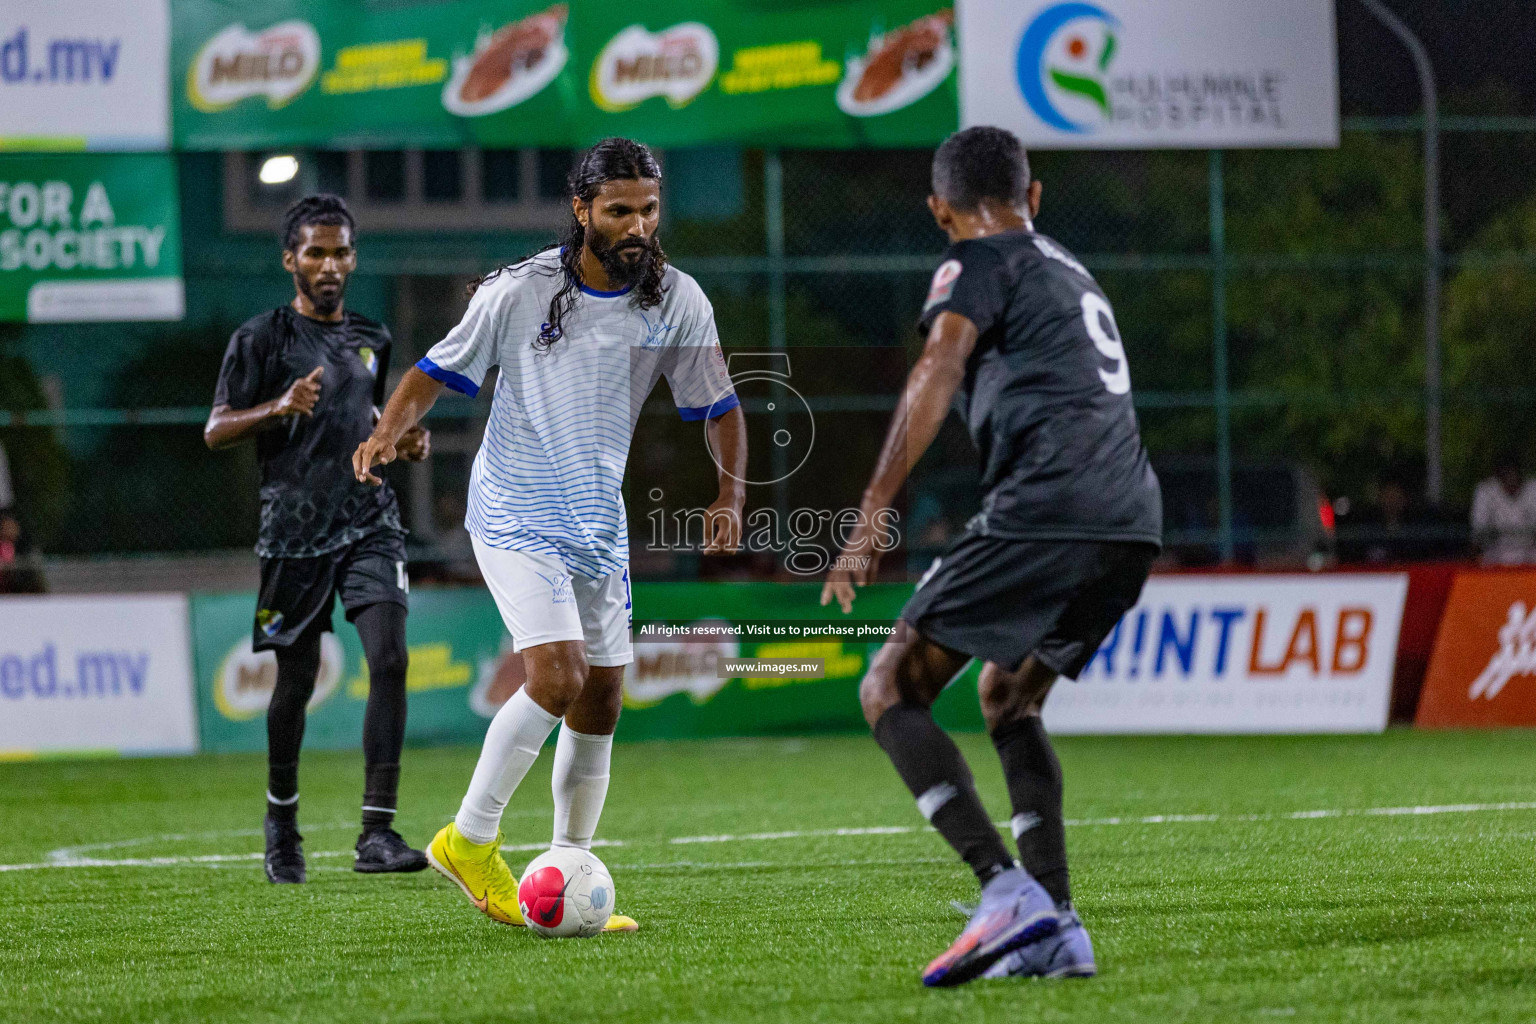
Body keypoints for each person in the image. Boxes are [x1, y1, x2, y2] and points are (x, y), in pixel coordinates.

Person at [355, 138, 747, 933]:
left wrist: (731, 495)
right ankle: (469, 839)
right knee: (560, 676)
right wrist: (386, 433)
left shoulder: (676, 299)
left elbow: (721, 404)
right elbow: (434, 371)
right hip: (514, 511)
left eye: (648, 209)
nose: (637, 225)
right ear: (581, 210)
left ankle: (570, 868)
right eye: (618, 210)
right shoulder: (518, 291)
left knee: (602, 696)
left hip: (596, 520)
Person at [822, 126, 1162, 986]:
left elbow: (939, 364)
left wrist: (871, 510)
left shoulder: (978, 259)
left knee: (890, 686)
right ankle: (1058, 924)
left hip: (1049, 507)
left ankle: (1005, 891)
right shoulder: (1069, 267)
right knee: (1009, 694)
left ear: (942, 212)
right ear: (1034, 194)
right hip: (1131, 517)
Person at [205, 194, 432, 883]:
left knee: (389, 659)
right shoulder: (260, 339)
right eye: (315, 253)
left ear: (353, 258)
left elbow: (371, 415)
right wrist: (278, 407)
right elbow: (214, 429)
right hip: (294, 533)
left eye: (340, 252)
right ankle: (282, 823)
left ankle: (377, 833)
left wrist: (402, 440)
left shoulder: (373, 336)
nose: (329, 265)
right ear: (290, 260)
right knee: (295, 681)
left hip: (368, 522)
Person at [1471, 452, 1536, 565]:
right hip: (1495, 553)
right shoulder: (1485, 490)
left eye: (1514, 473)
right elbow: (1478, 530)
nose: (1511, 478)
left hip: (1529, 552)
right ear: (1498, 475)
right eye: (1506, 473)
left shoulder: (1533, 488)